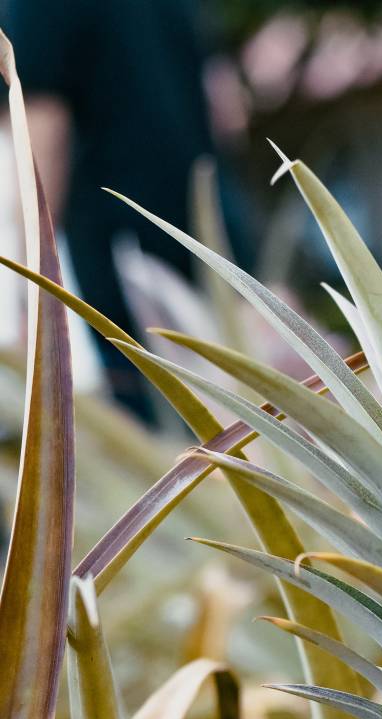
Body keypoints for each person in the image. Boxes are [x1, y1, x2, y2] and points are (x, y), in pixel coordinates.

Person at [2, 0, 252, 415]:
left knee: (176, 438)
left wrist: (27, 284)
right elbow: (226, 109)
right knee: (264, 411)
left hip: (125, 256)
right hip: (217, 226)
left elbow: (43, 136)